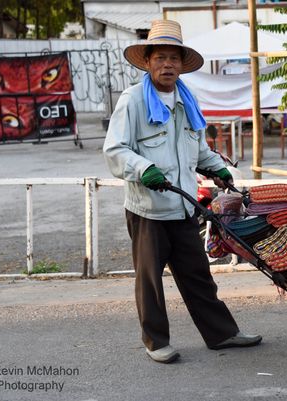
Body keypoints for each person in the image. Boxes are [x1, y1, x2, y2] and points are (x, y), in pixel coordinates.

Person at [103, 19, 261, 364]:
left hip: (184, 207)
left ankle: (222, 334)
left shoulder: (186, 101)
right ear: (148, 62)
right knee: (150, 282)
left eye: (174, 58)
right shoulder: (132, 101)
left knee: (198, 275)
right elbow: (115, 150)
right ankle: (156, 341)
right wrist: (144, 169)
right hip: (148, 210)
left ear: (181, 64)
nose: (167, 65)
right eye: (160, 58)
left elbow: (197, 149)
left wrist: (217, 167)